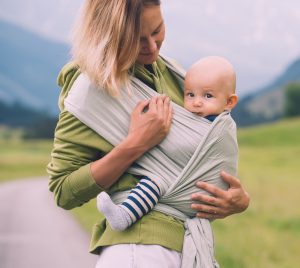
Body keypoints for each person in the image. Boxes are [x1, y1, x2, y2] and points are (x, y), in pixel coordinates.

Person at [47, 0, 250, 267]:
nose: (152, 47)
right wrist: (135, 144)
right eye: (137, 40)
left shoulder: (172, 73)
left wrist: (238, 200)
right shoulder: (90, 94)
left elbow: (199, 155)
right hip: (138, 249)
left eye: (157, 31)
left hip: (188, 245)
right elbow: (63, 190)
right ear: (109, 36)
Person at [97, 56, 239, 231]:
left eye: (208, 96)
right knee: (157, 179)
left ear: (229, 102)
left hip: (202, 193)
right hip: (192, 191)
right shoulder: (194, 118)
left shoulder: (220, 127)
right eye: (190, 94)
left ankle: (124, 216)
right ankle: (125, 214)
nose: (196, 102)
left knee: (156, 181)